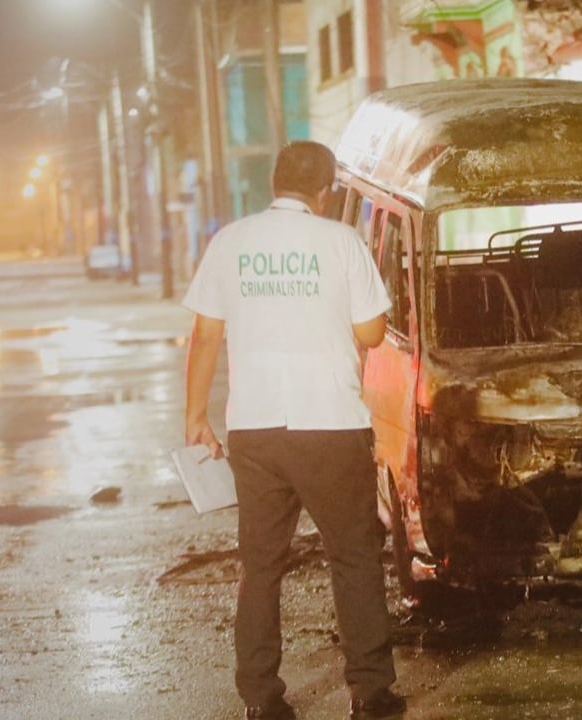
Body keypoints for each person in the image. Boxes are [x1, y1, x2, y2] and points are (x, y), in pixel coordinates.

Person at [183, 141, 405, 720]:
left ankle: (261, 698)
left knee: (261, 564)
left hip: (255, 428)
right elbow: (374, 332)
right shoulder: (341, 242)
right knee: (353, 558)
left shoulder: (230, 242)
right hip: (329, 421)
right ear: (326, 190)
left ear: (274, 182)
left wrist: (195, 417)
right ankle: (370, 692)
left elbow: (205, 335)